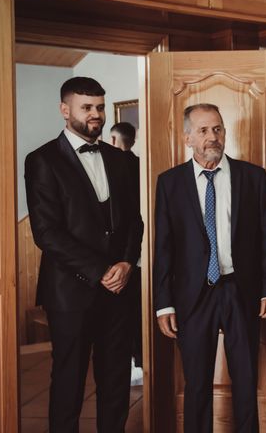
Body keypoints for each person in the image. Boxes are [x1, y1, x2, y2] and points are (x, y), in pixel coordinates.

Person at [153, 103, 266, 433]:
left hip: (241, 288)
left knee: (246, 378)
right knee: (196, 383)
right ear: (187, 138)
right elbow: (164, 247)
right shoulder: (169, 183)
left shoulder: (253, 177)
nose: (213, 137)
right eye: (203, 130)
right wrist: (163, 303)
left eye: (218, 129)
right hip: (193, 296)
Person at [24, 76, 144, 433]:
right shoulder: (42, 160)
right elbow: (46, 232)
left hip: (120, 290)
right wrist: (100, 270)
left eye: (100, 107)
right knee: (69, 379)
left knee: (116, 377)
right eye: (87, 107)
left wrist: (125, 262)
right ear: (65, 110)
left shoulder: (121, 160)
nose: (96, 114)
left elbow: (134, 221)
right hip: (69, 292)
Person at [110, 121, 143, 371]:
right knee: (136, 312)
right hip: (139, 253)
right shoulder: (141, 165)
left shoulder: (116, 167)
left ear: (113, 140)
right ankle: (139, 361)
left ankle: (133, 362)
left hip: (122, 253)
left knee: (125, 315)